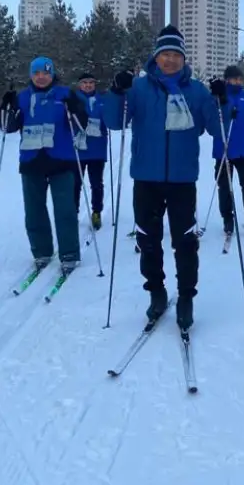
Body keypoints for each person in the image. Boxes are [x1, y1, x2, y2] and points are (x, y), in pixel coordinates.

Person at [103, 25, 219, 331]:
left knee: (185, 241)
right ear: (156, 57)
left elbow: (218, 128)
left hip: (182, 180)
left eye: (176, 55)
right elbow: (113, 121)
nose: (170, 60)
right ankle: (156, 291)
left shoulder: (196, 91)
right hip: (146, 178)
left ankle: (186, 297)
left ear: (183, 58)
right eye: (165, 54)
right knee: (148, 240)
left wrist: (223, 101)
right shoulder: (139, 88)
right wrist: (116, 91)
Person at [1, 57, 89, 276]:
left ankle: (69, 253)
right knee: (34, 210)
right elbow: (7, 127)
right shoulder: (23, 97)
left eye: (46, 73)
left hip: (62, 160)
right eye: (37, 73)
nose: (41, 77)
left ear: (53, 74)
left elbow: (81, 126)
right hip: (31, 161)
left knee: (65, 209)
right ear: (31, 75)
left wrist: (76, 109)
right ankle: (41, 251)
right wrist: (6, 107)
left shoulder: (65, 94)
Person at [209, 65, 244, 237]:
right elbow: (211, 117)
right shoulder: (219, 95)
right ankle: (228, 219)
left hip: (243, 150)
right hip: (223, 150)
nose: (238, 82)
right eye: (234, 79)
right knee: (225, 187)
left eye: (240, 79)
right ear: (227, 80)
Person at [74, 71, 108, 229]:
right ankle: (73, 212)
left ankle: (96, 212)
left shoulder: (102, 100)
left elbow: (109, 119)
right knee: (75, 184)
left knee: (96, 183)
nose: (88, 85)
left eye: (91, 83)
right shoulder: (73, 99)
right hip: (78, 150)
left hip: (97, 149)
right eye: (85, 83)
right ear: (79, 85)